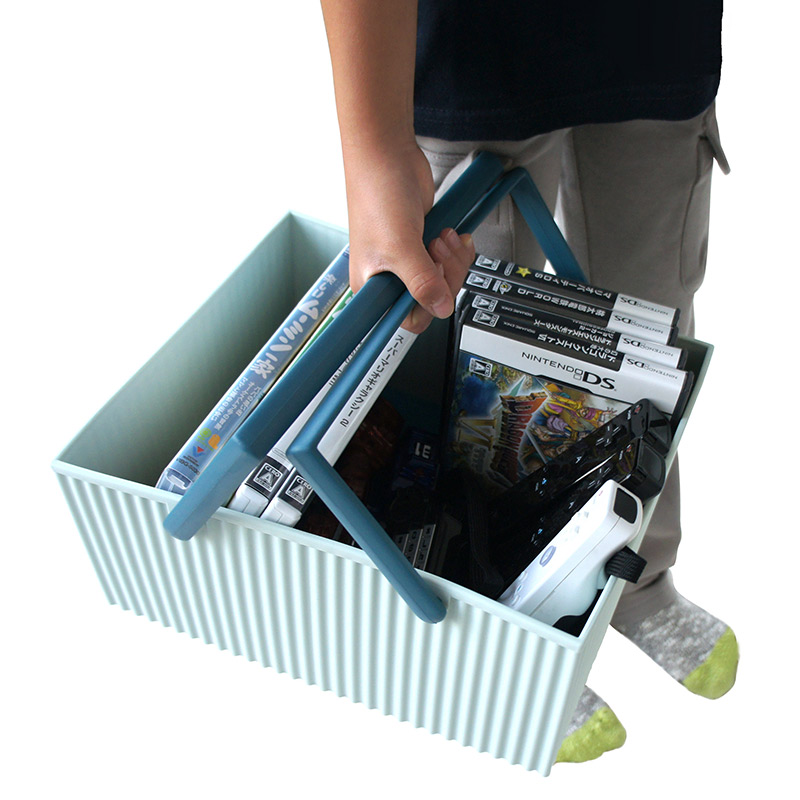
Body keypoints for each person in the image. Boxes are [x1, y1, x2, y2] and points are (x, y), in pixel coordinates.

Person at [320, 0, 738, 763]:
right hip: (475, 49)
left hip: (654, 43)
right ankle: (495, 626)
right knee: (461, 353)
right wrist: (374, 153)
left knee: (650, 331)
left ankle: (635, 580)